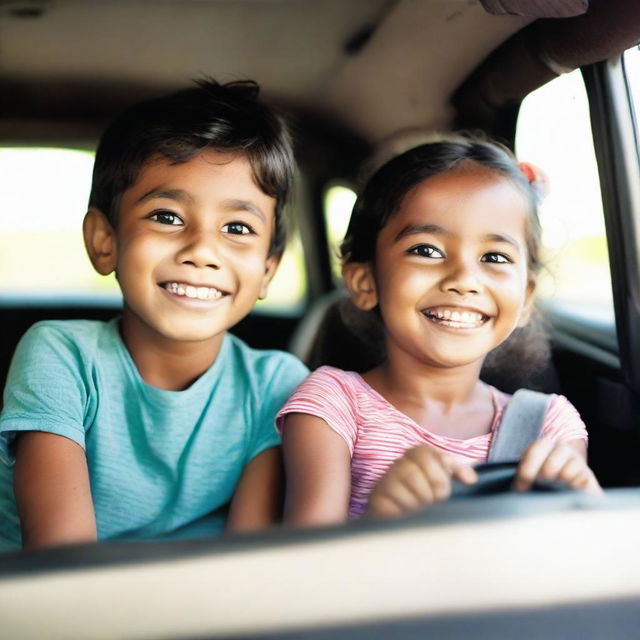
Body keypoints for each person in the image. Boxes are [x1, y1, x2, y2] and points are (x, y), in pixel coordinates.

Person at [0, 79, 308, 550]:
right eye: (167, 217)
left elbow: (247, 568)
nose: (203, 251)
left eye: (237, 227)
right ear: (105, 241)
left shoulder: (275, 387)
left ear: (267, 271)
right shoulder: (62, 355)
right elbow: (61, 560)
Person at [277, 137, 600, 526]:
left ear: (526, 297)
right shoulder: (332, 405)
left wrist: (584, 513)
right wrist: (379, 518)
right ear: (365, 281)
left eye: (494, 257)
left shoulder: (549, 424)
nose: (464, 280)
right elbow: (305, 566)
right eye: (426, 250)